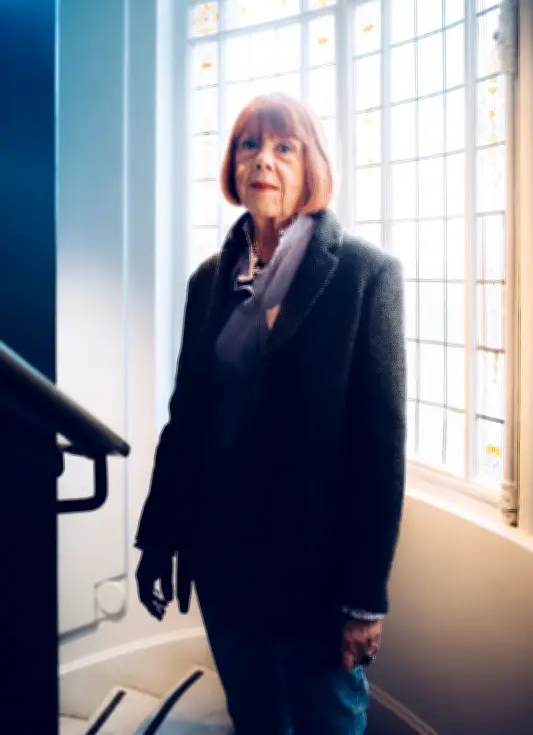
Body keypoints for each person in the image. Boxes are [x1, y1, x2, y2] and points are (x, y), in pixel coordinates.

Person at [135, 93, 406, 735]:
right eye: (249, 144)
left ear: (312, 166)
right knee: (255, 721)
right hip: (224, 566)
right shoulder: (208, 281)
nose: (263, 159)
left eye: (285, 147)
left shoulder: (365, 275)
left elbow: (379, 450)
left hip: (317, 582)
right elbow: (186, 421)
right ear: (233, 163)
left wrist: (364, 600)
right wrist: (159, 535)